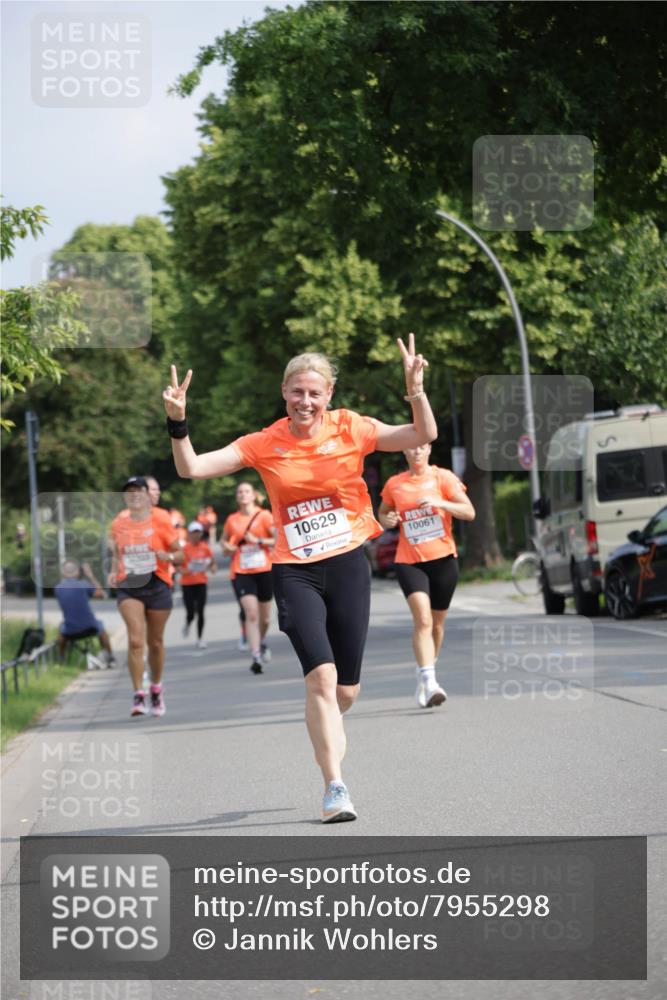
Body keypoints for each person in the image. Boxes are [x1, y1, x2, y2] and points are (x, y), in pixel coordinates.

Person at [163, 334, 436, 822]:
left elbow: (420, 436)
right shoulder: (264, 442)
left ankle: (324, 723)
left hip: (349, 561)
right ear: (283, 392)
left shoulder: (352, 427)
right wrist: (178, 421)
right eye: (296, 392)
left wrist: (415, 389)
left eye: (314, 393)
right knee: (321, 680)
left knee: (344, 692)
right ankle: (335, 787)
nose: (305, 401)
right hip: (295, 570)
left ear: (329, 394)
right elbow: (193, 469)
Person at [378, 443, 475, 708]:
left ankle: (426, 670)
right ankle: (431, 682)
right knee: (422, 620)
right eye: (411, 448)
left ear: (429, 449)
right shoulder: (395, 484)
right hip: (410, 561)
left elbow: (469, 511)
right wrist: (387, 520)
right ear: (405, 453)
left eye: (421, 446)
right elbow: (383, 512)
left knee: (437, 624)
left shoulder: (443, 478)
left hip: (443, 559)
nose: (416, 451)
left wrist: (440, 502)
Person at [108, 476, 183, 717]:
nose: (135, 495)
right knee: (136, 641)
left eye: (139, 490)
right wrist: (112, 572)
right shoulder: (118, 522)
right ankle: (138, 694)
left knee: (156, 642)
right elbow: (116, 554)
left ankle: (156, 688)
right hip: (129, 586)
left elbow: (180, 555)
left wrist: (167, 557)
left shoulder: (161, 518)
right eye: (130, 491)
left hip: (158, 584)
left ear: (146, 494)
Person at [221, 482, 276, 672]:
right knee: (251, 613)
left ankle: (261, 641)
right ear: (237, 497)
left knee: (265, 618)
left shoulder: (264, 516)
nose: (243, 495)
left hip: (264, 569)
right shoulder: (232, 519)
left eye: (246, 491)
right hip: (241, 571)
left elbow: (278, 539)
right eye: (239, 492)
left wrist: (258, 541)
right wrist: (227, 548)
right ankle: (255, 655)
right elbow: (224, 541)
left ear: (253, 495)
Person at [55, 560, 115, 666]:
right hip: (90, 627)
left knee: (61, 629)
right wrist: (90, 575)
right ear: (78, 572)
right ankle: (110, 657)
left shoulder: (58, 588)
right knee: (102, 628)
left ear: (63, 573)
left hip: (70, 630)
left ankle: (61, 659)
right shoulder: (83, 585)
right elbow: (101, 593)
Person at [180, 520, 216, 648]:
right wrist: (185, 570)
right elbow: (178, 566)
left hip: (201, 582)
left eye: (198, 532)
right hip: (187, 584)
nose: (196, 535)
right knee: (191, 612)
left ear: (201, 534)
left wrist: (212, 568)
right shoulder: (184, 548)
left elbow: (213, 563)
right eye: (193, 532)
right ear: (189, 534)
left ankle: (200, 638)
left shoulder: (205, 548)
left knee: (200, 611)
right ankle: (188, 623)